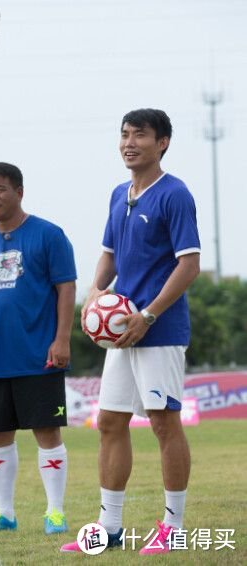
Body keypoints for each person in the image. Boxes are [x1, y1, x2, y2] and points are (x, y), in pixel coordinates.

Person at [61, 108, 200, 555]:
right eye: (123, 135)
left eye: (139, 135)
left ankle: (174, 528)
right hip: (121, 329)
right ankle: (109, 527)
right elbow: (109, 255)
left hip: (158, 329)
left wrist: (150, 316)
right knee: (109, 422)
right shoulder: (119, 194)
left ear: (162, 143)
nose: (129, 143)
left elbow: (189, 264)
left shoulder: (175, 194)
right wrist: (95, 293)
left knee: (163, 423)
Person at [0, 161, 77, 535]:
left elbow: (66, 288)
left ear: (19, 192)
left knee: (47, 432)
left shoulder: (48, 235)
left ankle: (55, 512)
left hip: (38, 356)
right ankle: (4, 513)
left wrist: (61, 339)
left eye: (0, 189)